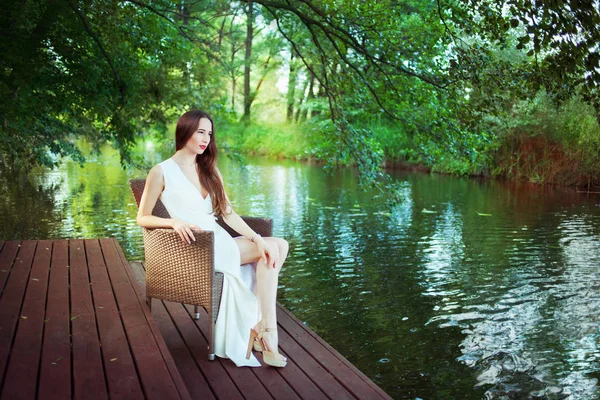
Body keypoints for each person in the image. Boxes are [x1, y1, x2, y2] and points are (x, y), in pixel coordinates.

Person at [136, 109, 289, 367]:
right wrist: (173, 222)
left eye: (209, 133)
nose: (206, 138)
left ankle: (265, 327)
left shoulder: (209, 170)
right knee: (275, 249)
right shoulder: (161, 171)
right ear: (185, 131)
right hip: (197, 246)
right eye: (200, 132)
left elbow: (228, 214)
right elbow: (142, 217)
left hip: (218, 240)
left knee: (278, 245)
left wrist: (257, 238)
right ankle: (265, 332)